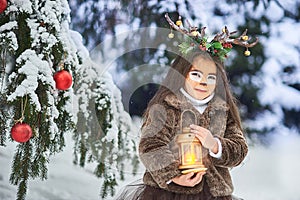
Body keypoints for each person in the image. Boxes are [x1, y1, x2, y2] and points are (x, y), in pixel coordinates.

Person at [115, 14, 257, 200]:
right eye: (196, 75)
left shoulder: (222, 111)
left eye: (211, 78)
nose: (203, 82)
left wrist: (215, 144)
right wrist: (173, 174)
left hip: (214, 193)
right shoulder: (166, 108)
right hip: (168, 192)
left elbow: (239, 148)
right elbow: (150, 147)